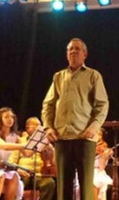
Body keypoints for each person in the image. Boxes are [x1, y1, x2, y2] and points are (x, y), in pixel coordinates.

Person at [42, 38, 109, 200]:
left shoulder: (94, 75)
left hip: (84, 137)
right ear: (66, 54)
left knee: (86, 189)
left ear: (85, 54)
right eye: (70, 49)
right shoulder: (58, 77)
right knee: (63, 188)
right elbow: (48, 105)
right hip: (62, 137)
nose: (73, 52)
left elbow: (102, 104)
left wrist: (94, 127)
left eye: (77, 49)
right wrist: (48, 127)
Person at [0, 107, 29, 200]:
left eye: (12, 117)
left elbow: (27, 153)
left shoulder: (15, 136)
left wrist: (39, 144)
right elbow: (3, 146)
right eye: (6, 117)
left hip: (3, 168)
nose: (10, 119)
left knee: (14, 176)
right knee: (1, 176)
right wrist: (23, 145)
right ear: (0, 120)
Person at [11, 117, 56, 200]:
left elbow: (53, 163)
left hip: (39, 175)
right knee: (16, 182)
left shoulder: (44, 143)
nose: (39, 128)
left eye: (40, 126)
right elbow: (12, 162)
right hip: (24, 175)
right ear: (27, 127)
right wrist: (18, 171)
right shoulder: (20, 141)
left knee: (49, 183)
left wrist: (51, 150)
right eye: (36, 125)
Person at [93, 128, 114, 200]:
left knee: (94, 182)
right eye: (95, 134)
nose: (97, 136)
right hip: (86, 171)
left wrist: (104, 157)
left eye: (99, 135)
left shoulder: (105, 149)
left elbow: (101, 167)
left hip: (98, 172)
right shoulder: (88, 146)